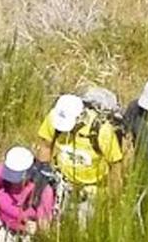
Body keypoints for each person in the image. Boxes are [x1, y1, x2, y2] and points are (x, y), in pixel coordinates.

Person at [38, 92, 124, 226]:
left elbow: (115, 165)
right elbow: (46, 146)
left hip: (92, 189)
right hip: (62, 182)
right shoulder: (54, 119)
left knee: (84, 229)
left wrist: (113, 197)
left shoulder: (102, 131)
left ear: (80, 118)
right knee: (57, 224)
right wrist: (42, 179)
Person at [0, 145, 58, 241]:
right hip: (3, 228)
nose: (12, 181)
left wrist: (36, 228)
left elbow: (45, 226)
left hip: (26, 237)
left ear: (29, 172)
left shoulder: (43, 190)